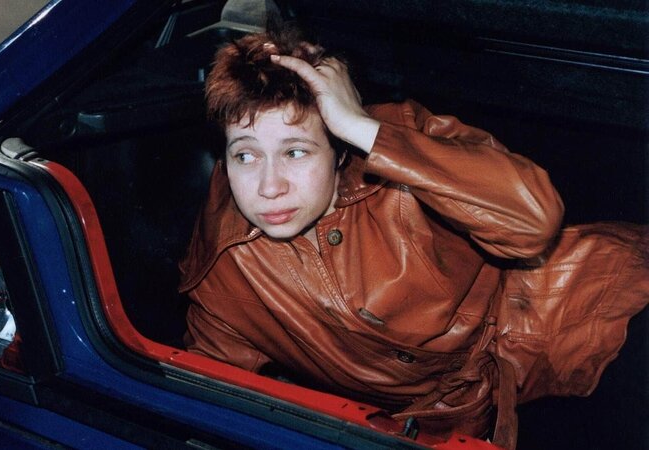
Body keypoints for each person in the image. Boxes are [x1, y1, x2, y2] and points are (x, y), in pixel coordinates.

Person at [178, 25, 649, 449]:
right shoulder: (225, 265)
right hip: (469, 419)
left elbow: (533, 222)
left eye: (296, 151)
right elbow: (205, 389)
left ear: (339, 152)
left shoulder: (397, 138)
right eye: (245, 156)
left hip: (584, 310)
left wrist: (362, 128)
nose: (269, 186)